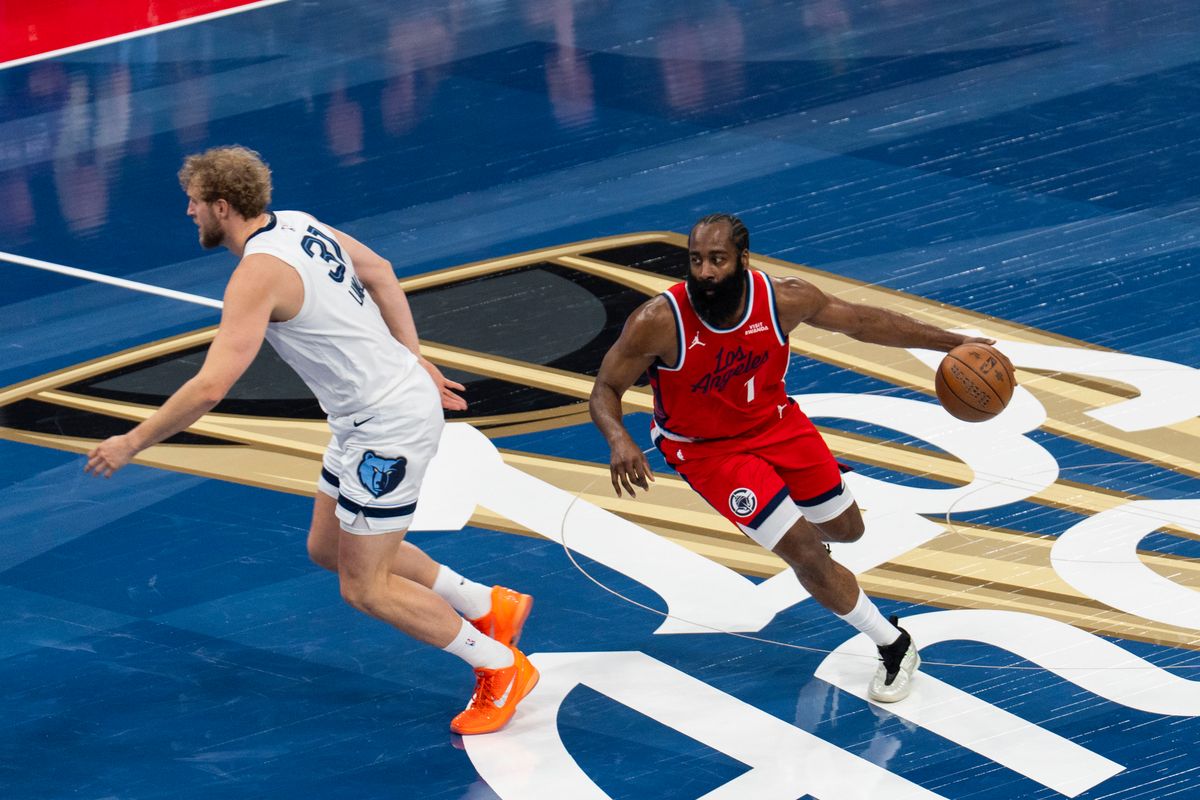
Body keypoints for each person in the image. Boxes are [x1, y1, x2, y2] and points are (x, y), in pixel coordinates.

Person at [84, 145, 538, 734]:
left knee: (365, 586)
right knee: (327, 547)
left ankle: (501, 667)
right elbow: (379, 272)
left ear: (222, 207)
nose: (188, 213)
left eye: (193, 204)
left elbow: (210, 387)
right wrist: (412, 356)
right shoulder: (297, 223)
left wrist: (133, 442)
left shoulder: (256, 275)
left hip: (388, 429)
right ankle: (485, 604)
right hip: (364, 418)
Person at [589, 213, 1000, 702]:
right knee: (805, 554)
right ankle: (894, 644)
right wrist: (618, 437)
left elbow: (865, 324)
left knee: (848, 531)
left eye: (717, 260)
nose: (705, 272)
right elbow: (606, 388)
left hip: (778, 425)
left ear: (743, 259)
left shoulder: (785, 299)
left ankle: (811, 550)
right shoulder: (658, 322)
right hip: (709, 454)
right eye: (696, 260)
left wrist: (952, 343)